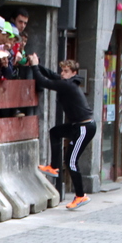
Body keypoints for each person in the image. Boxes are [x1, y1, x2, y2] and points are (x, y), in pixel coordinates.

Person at [33, 57, 95, 210]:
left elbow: (44, 82)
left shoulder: (68, 85)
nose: (62, 73)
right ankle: (53, 167)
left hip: (84, 127)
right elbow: (51, 75)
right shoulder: (66, 82)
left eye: (66, 71)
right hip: (76, 126)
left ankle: (80, 196)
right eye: (62, 70)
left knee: (71, 161)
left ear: (73, 73)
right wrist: (37, 64)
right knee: (55, 132)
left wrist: (34, 67)